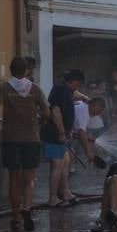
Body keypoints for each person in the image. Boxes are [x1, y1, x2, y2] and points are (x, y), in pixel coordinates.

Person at [0, 57, 50, 231]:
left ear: (10, 70)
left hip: (10, 139)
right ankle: (27, 207)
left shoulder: (3, 87)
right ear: (26, 70)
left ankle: (16, 217)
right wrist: (40, 121)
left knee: (14, 179)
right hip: (31, 138)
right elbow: (47, 111)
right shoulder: (35, 89)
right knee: (29, 178)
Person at [44, 69, 82, 208]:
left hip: (62, 134)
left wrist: (68, 131)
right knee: (57, 165)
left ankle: (65, 192)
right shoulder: (61, 90)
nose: (78, 87)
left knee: (65, 162)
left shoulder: (66, 90)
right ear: (75, 81)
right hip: (54, 134)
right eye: (78, 84)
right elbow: (56, 111)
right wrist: (61, 132)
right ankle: (53, 198)